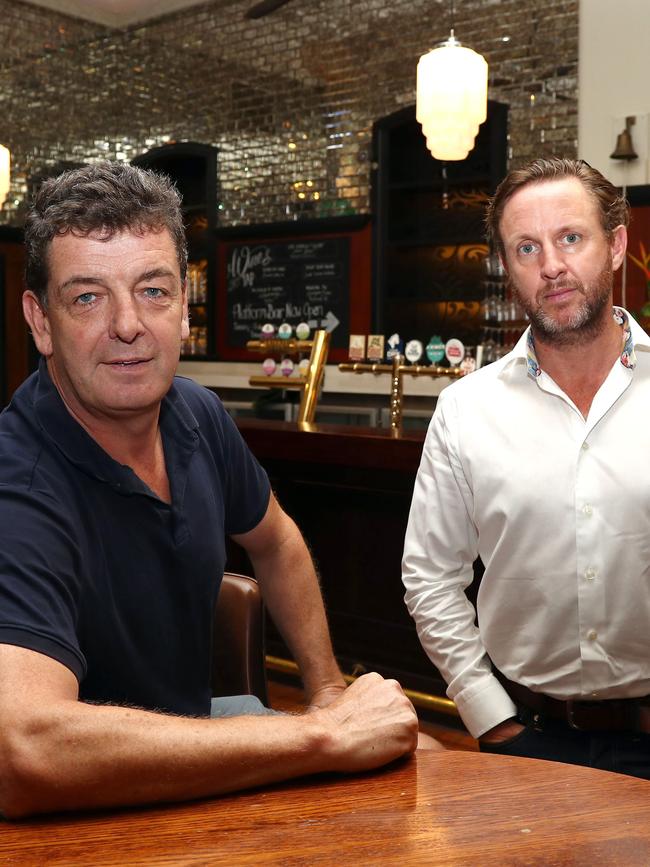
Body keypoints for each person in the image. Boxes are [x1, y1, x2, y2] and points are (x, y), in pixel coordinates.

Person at [0, 161, 422, 819]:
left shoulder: (195, 412)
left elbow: (277, 541)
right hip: (81, 817)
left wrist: (328, 689)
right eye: (87, 296)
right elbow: (22, 751)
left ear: (184, 309)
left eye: (154, 291)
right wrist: (322, 733)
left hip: (202, 771)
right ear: (40, 320)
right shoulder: (17, 484)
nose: (128, 325)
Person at [402, 157, 650, 778]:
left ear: (616, 246)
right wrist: (494, 721)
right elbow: (431, 578)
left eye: (571, 238)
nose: (552, 267)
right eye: (526, 248)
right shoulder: (466, 410)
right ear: (508, 268)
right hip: (526, 740)